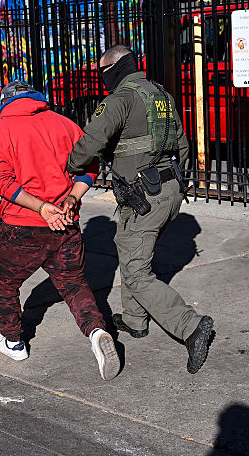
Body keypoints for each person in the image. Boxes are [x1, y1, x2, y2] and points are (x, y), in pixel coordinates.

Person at [67, 45, 215, 374]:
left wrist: (70, 164)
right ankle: (135, 319)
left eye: (102, 70)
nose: (101, 76)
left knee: (137, 272)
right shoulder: (159, 93)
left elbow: (89, 144)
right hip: (167, 189)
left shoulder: (120, 99)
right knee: (127, 244)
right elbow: (183, 144)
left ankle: (190, 327)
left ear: (114, 68)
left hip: (144, 196)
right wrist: (178, 184)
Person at [0, 81, 120, 380]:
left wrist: (41, 207)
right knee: (74, 284)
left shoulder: (0, 131)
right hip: (66, 224)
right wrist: (72, 197)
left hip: (22, 226)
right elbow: (90, 165)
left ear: (5, 102)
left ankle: (14, 341)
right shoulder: (65, 124)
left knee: (5, 282)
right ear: (36, 97)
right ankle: (96, 331)